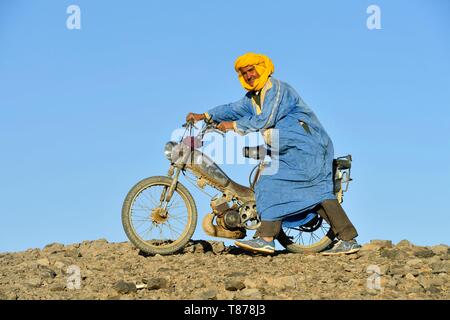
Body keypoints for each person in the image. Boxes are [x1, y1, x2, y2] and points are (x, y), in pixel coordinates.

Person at [186, 52, 361, 255]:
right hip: (288, 149)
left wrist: (231, 126)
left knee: (272, 183)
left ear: (262, 68)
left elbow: (265, 119)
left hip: (308, 147)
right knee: (313, 192)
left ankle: (266, 238)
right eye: (244, 73)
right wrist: (205, 115)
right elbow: (233, 109)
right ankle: (347, 238)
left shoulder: (276, 89)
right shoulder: (254, 97)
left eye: (251, 70)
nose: (249, 75)